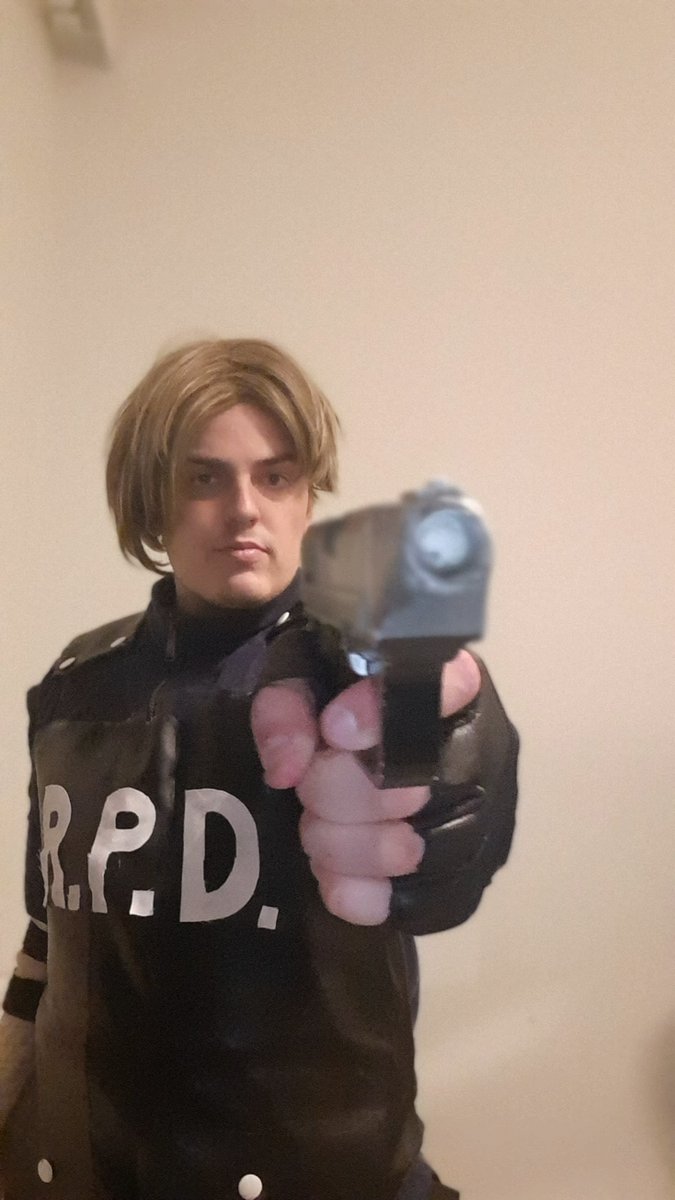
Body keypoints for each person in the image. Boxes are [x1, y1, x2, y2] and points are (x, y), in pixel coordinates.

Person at [0, 339, 519, 1200]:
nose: (244, 508)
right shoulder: (73, 684)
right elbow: (48, 934)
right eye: (203, 479)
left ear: (308, 497)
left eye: (276, 477)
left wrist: (446, 774)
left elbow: (439, 814)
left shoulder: (349, 674)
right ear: (151, 500)